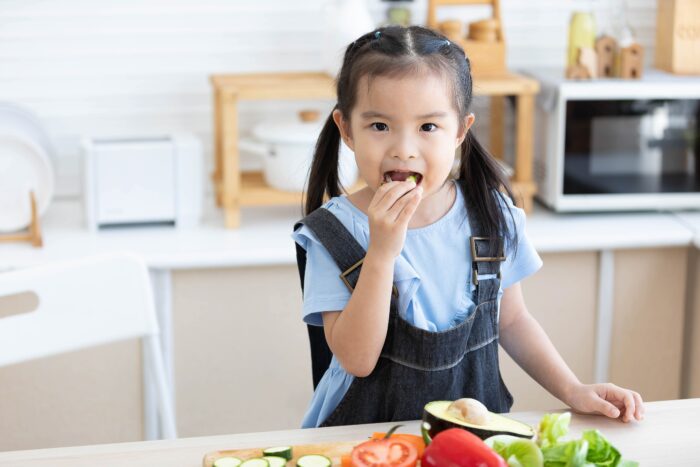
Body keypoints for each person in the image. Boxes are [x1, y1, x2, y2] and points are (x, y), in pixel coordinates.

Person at [292, 25, 644, 428]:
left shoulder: (489, 213)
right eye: (379, 126)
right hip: (364, 439)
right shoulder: (331, 234)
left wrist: (573, 390)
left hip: (468, 435)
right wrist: (382, 252)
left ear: (460, 130)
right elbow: (356, 359)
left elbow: (512, 321)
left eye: (428, 127)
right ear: (346, 129)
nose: (403, 149)